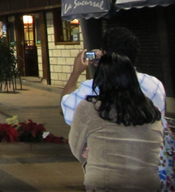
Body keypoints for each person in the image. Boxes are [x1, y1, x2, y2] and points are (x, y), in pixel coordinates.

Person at [69, 52, 163, 191]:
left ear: (101, 79)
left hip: (106, 184)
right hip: (149, 184)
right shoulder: (151, 110)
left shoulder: (89, 108)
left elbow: (76, 147)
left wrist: (95, 153)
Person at [61, 27, 166, 125]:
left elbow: (64, 109)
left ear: (105, 54)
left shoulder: (91, 88)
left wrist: (76, 72)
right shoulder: (155, 84)